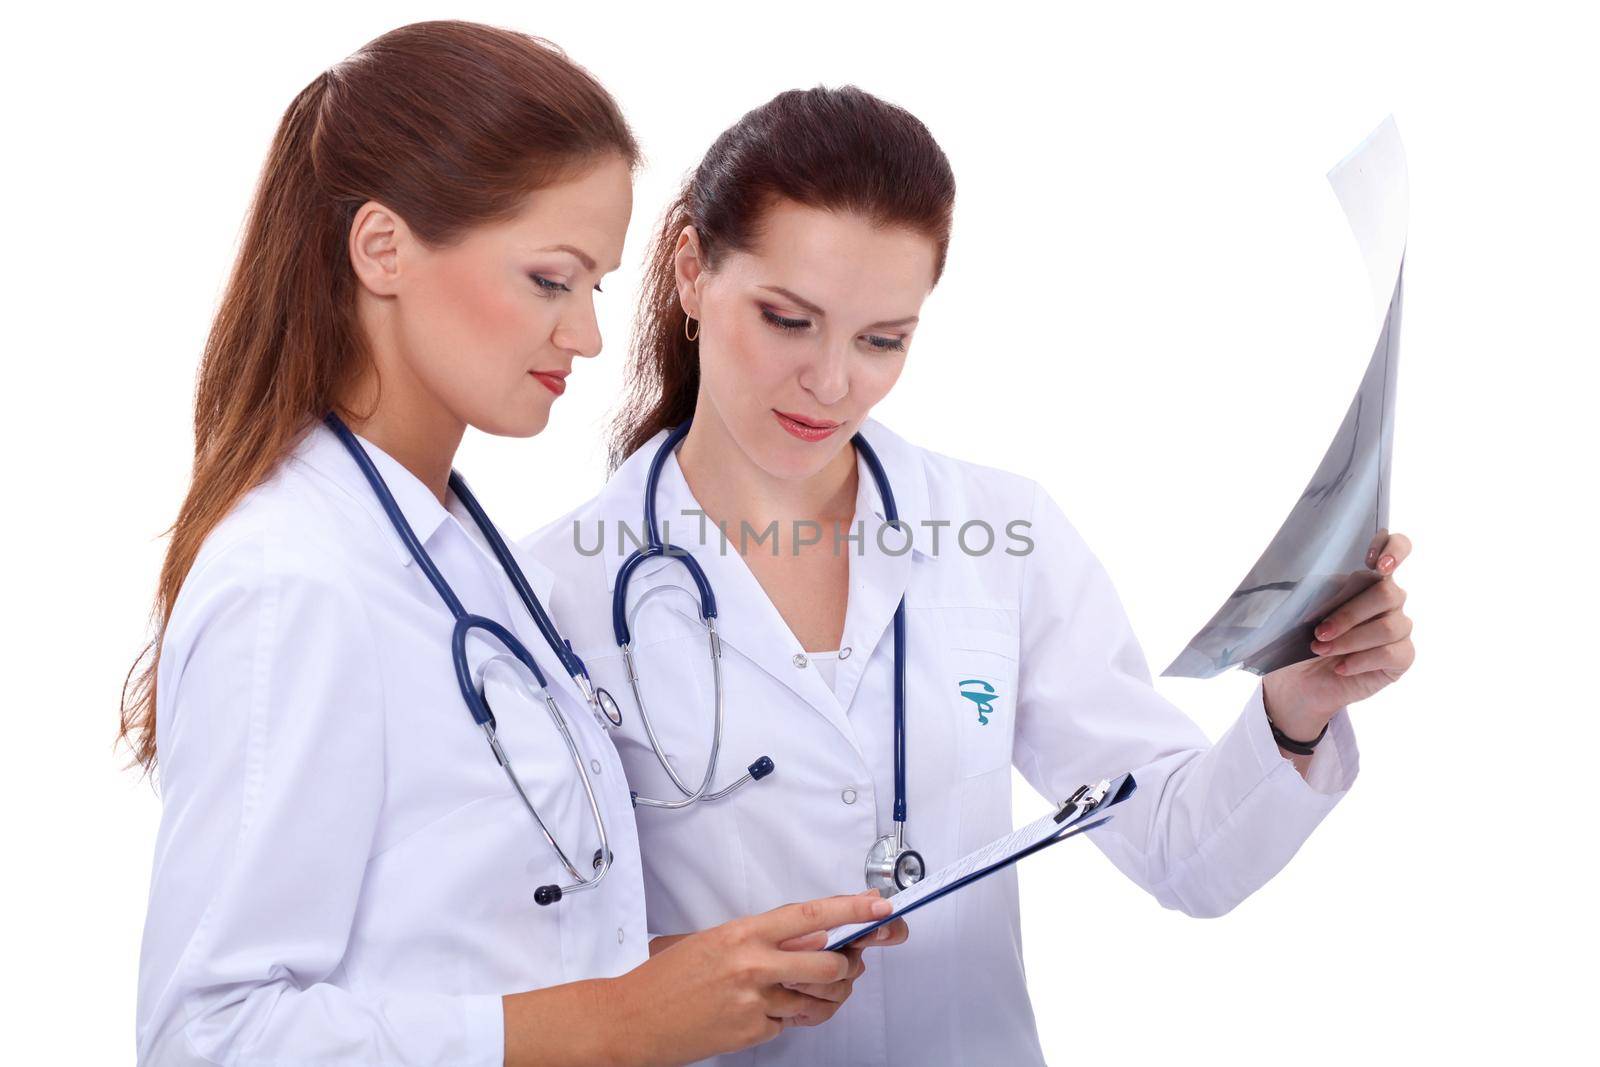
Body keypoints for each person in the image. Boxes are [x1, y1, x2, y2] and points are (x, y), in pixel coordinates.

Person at [522, 85, 1416, 1065]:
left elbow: (1181, 854)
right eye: (788, 319)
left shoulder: (999, 531)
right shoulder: (551, 592)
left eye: (881, 339)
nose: (831, 382)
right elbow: (512, 948)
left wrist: (1297, 707)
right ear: (692, 270)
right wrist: (671, 970)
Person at [126, 27, 902, 1067]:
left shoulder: (453, 547)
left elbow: (458, 927)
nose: (585, 334)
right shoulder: (293, 579)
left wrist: (699, 976)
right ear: (382, 249)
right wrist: (615, 1022)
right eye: (549, 279)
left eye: (594, 286)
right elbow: (206, 1036)